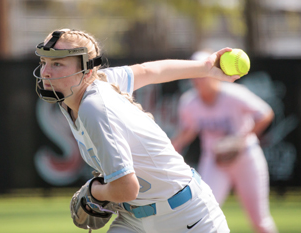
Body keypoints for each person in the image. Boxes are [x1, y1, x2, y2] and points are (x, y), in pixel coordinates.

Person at [33, 29, 239, 233]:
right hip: (134, 220)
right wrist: (206, 67)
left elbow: (127, 188)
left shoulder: (93, 106)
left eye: (57, 63)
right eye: (44, 62)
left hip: (189, 218)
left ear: (86, 70)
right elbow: (150, 71)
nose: (46, 72)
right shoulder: (87, 89)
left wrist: (94, 192)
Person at [171, 50, 278, 233]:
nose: (198, 79)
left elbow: (266, 114)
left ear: (212, 74)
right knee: (202, 214)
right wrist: (173, 145)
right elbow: (189, 130)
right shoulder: (189, 102)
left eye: (202, 74)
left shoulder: (234, 94)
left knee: (260, 221)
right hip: (214, 160)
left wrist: (241, 139)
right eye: (195, 74)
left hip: (246, 158)